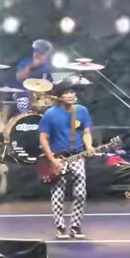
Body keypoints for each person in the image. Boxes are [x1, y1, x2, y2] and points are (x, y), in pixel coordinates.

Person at [39, 82, 95, 239]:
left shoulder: (81, 111)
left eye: (72, 92)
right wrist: (51, 159)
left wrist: (89, 146)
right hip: (58, 158)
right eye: (66, 92)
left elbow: (86, 132)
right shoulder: (50, 114)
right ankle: (60, 227)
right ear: (59, 96)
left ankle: (75, 226)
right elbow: (43, 138)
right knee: (58, 193)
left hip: (77, 156)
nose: (70, 95)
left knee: (81, 193)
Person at [15, 39, 54, 114]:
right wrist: (31, 66)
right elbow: (19, 77)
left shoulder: (49, 65)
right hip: (25, 96)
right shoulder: (26, 62)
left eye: (42, 53)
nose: (38, 54)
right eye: (36, 52)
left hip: (45, 98)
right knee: (25, 112)